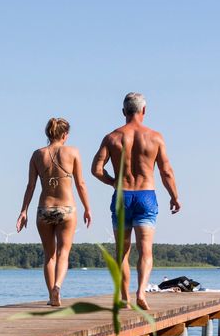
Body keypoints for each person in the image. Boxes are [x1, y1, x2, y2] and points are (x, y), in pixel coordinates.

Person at [91, 92, 181, 311]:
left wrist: (113, 182)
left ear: (124, 112)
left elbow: (96, 170)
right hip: (146, 196)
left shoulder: (112, 138)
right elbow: (166, 171)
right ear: (144, 111)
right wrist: (174, 196)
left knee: (122, 251)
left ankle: (124, 298)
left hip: (123, 196)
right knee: (145, 251)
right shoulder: (155, 137)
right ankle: (141, 292)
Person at [16, 116, 92, 306]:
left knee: (49, 255)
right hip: (67, 209)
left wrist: (23, 211)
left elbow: (30, 186)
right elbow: (81, 184)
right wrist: (87, 208)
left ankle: (52, 295)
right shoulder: (73, 152)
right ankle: (58, 286)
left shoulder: (37, 155)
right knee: (63, 253)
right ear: (65, 135)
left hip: (45, 209)